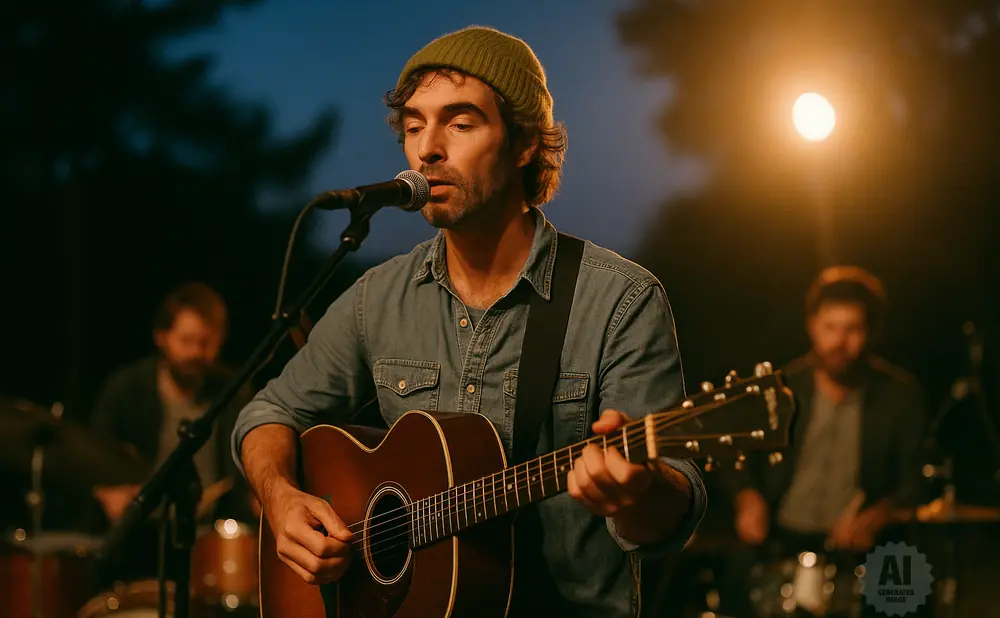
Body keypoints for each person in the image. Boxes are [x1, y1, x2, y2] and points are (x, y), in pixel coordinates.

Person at [231, 25, 707, 617]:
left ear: (526, 143)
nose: (428, 148)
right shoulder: (375, 297)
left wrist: (637, 492)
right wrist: (280, 500)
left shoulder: (619, 300)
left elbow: (670, 511)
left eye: (459, 123)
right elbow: (267, 415)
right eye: (412, 125)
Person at [722, 266, 929, 616]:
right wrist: (746, 498)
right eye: (830, 327)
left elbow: (917, 483)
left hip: (860, 553)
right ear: (812, 325)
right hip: (778, 541)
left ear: (872, 332)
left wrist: (878, 516)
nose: (839, 342)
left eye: (852, 329)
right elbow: (732, 451)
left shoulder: (901, 396)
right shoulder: (781, 389)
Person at [90, 282, 257, 578]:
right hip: (140, 535)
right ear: (161, 337)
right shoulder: (127, 388)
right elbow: (89, 455)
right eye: (187, 340)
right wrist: (109, 493)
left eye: (206, 342)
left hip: (211, 534)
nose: (196, 352)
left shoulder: (233, 391)